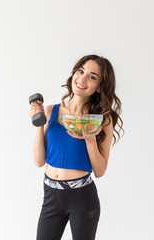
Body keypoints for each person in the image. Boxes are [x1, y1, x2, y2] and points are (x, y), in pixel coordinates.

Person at [29, 54, 124, 240]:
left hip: (82, 198)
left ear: (99, 87)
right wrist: (39, 123)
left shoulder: (101, 121)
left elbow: (100, 171)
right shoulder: (50, 111)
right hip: (50, 196)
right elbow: (39, 161)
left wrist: (89, 140)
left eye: (92, 77)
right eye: (81, 71)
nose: (82, 79)